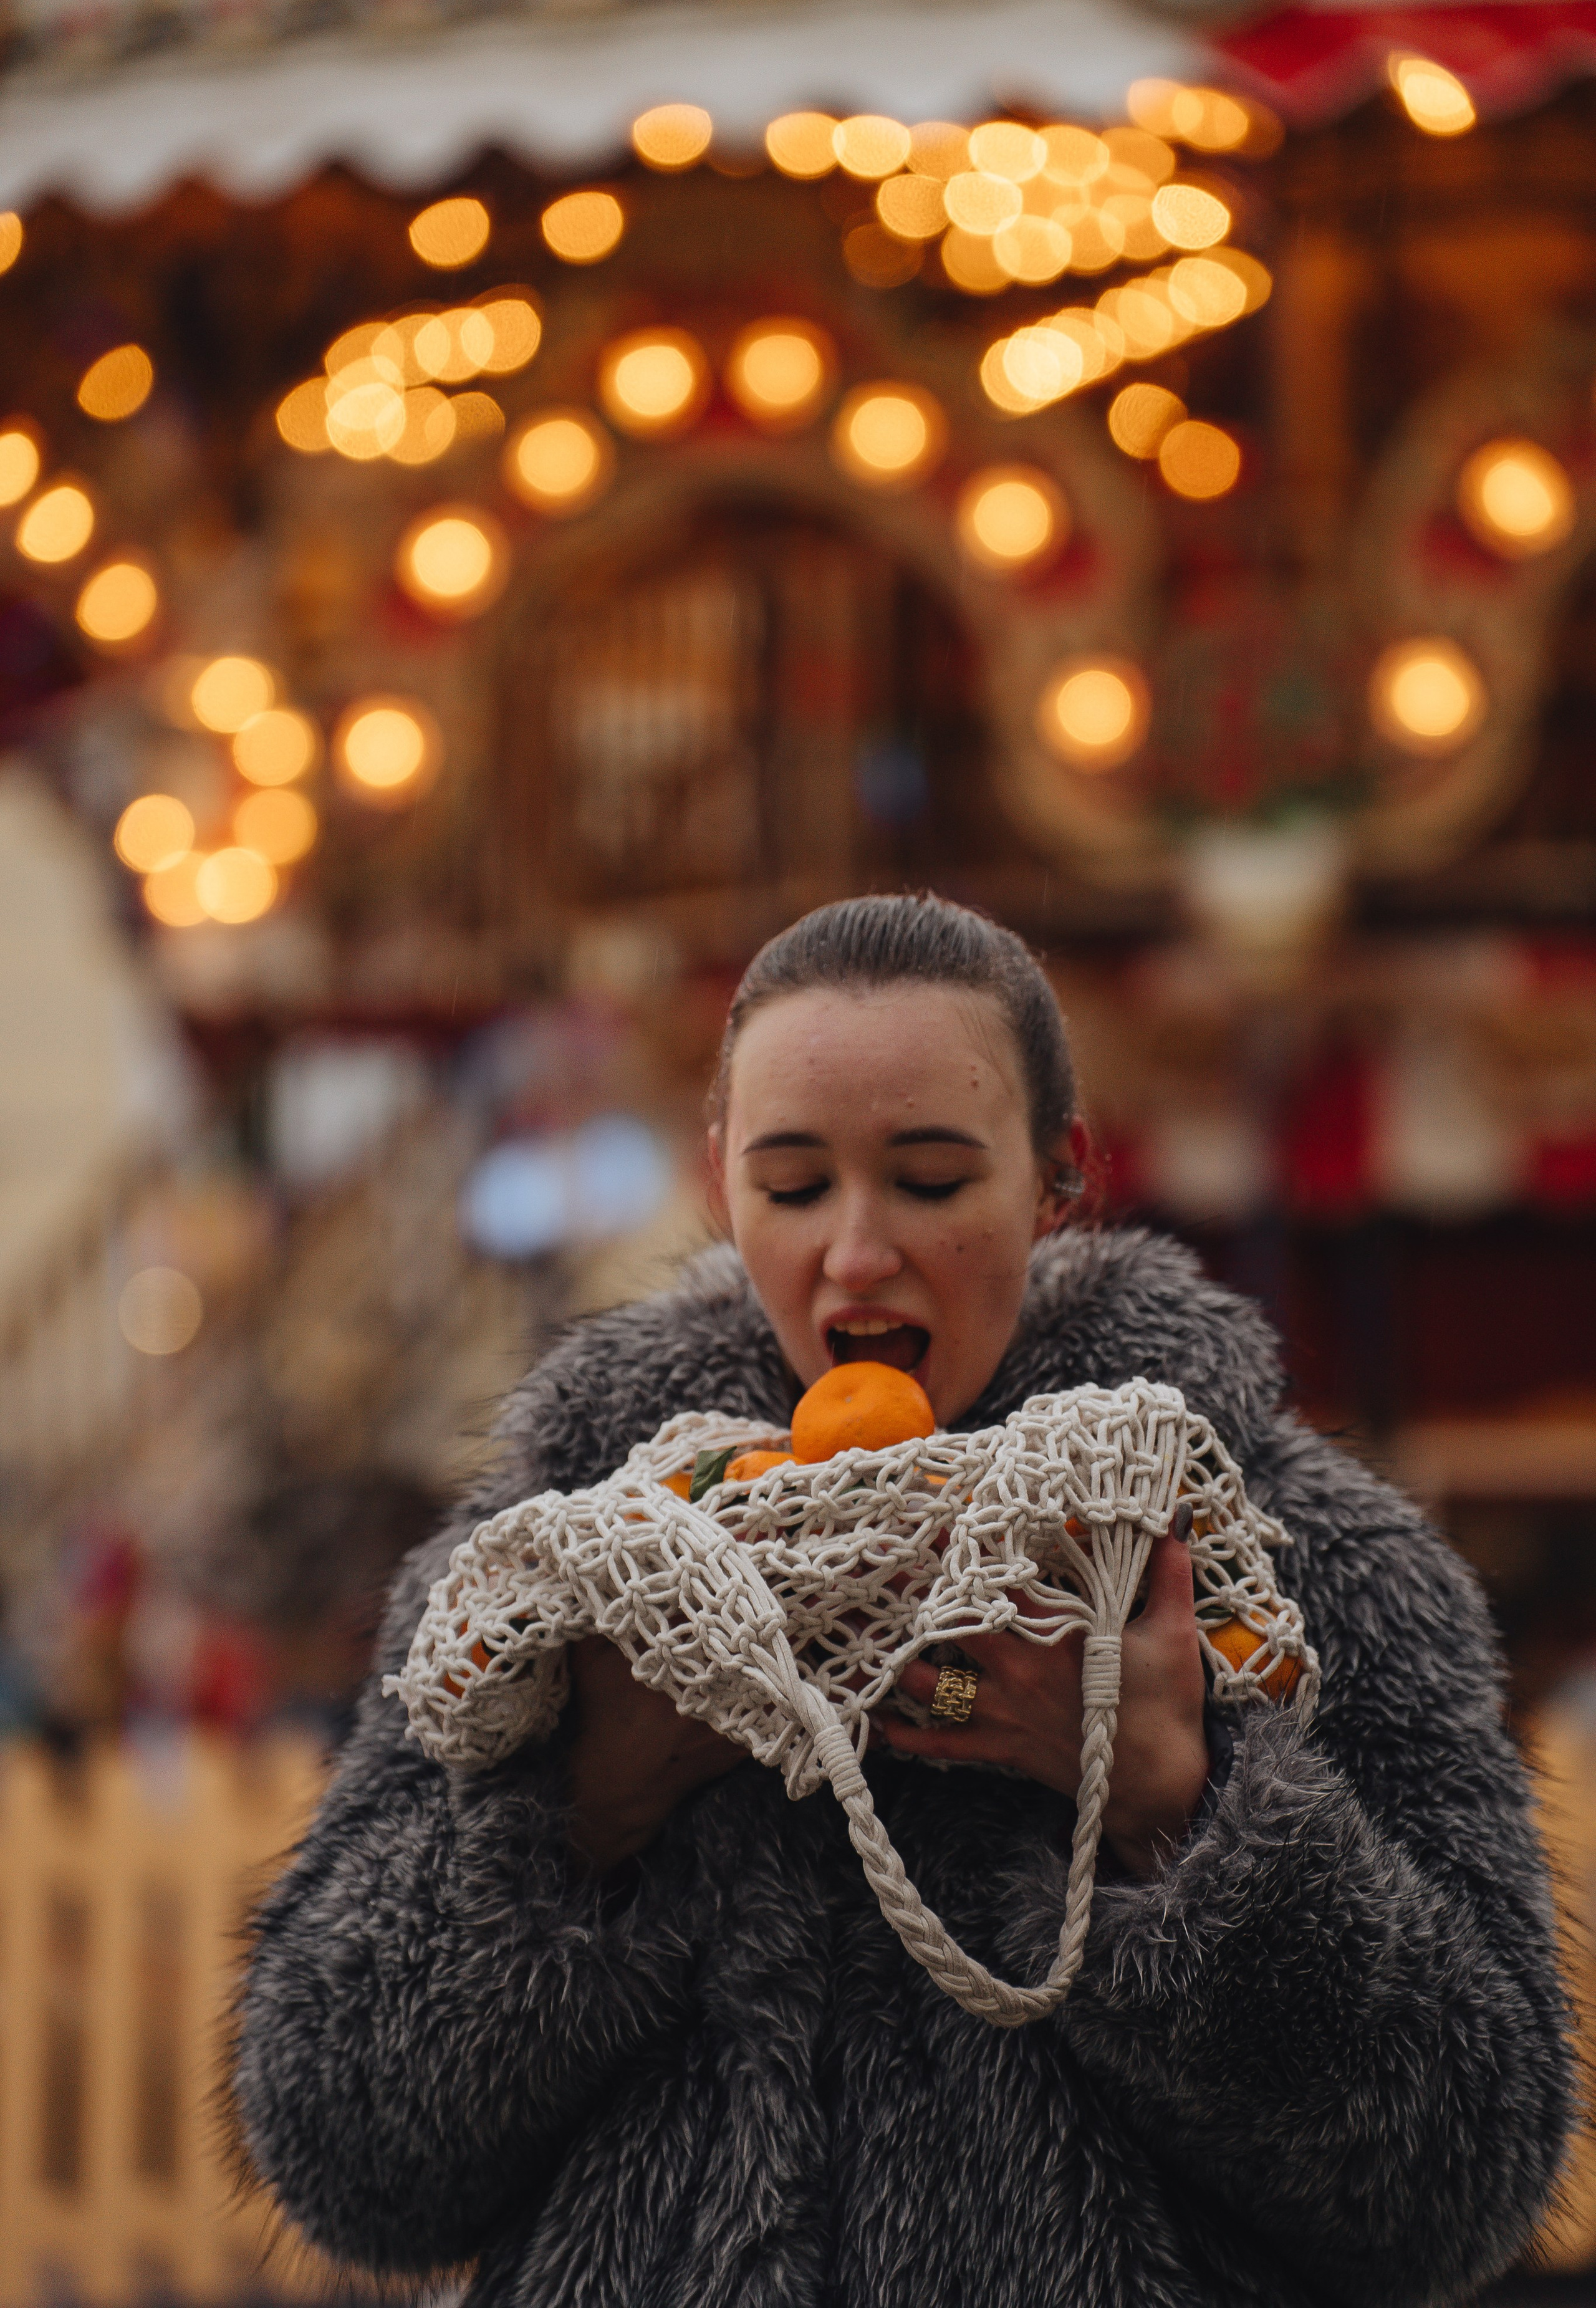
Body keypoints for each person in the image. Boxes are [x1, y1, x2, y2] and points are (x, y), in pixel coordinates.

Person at [236, 893, 1571, 2308]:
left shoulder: (1293, 1557)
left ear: (1057, 1179)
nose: (857, 1254)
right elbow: (342, 2157)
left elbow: (1459, 2184)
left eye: (930, 1182)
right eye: (794, 1187)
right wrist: (595, 1807)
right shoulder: (549, 1574)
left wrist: (1172, 1820)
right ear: (718, 1182)